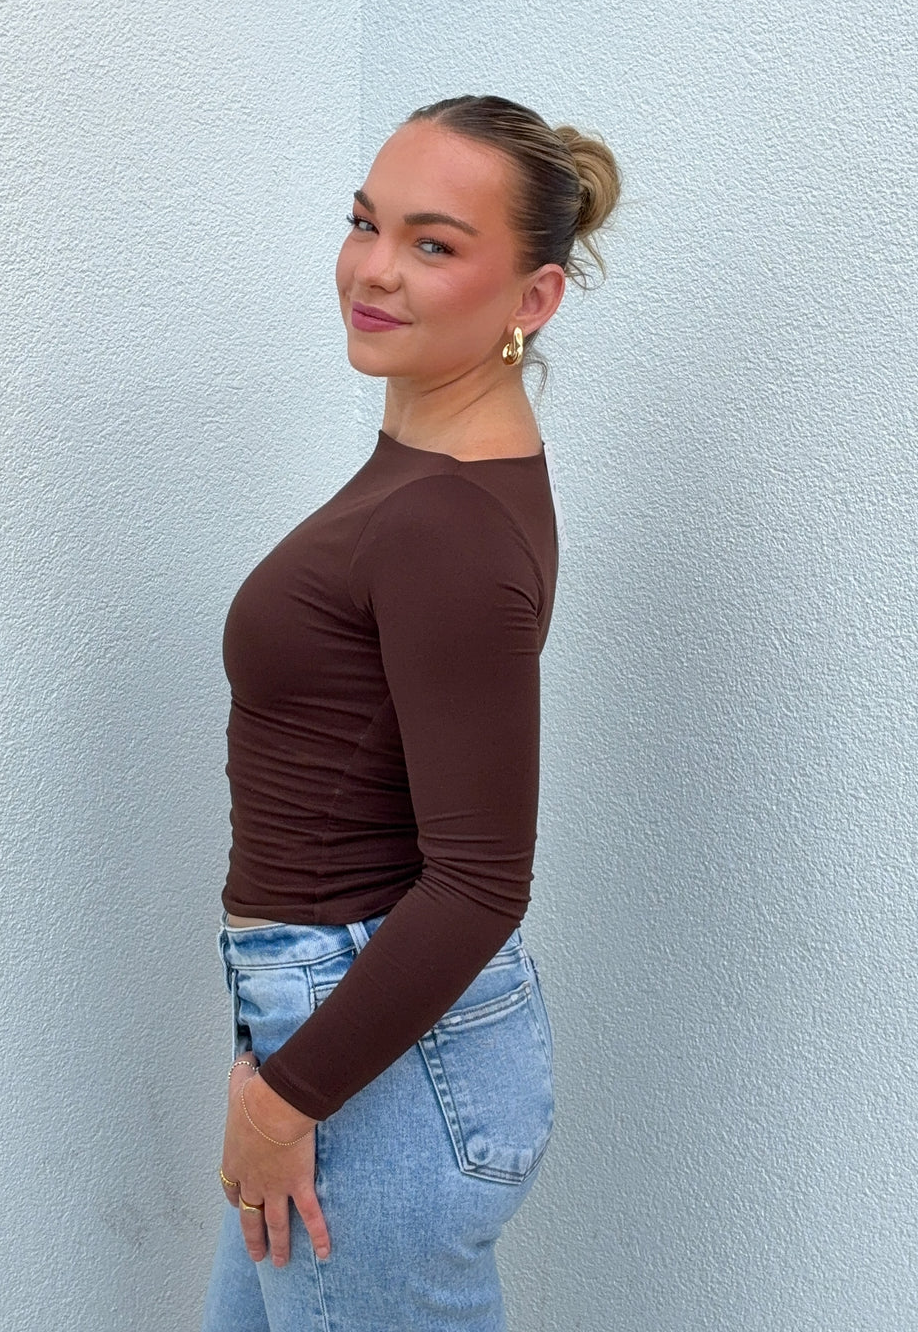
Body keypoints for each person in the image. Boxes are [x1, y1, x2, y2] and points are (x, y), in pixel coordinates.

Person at [200, 94, 621, 1332]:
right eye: (365, 222)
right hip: (332, 1032)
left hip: (364, 1056)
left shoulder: (446, 522)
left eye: (434, 245)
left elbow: (482, 880)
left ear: (532, 299)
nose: (375, 270)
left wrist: (287, 1098)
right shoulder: (437, 468)